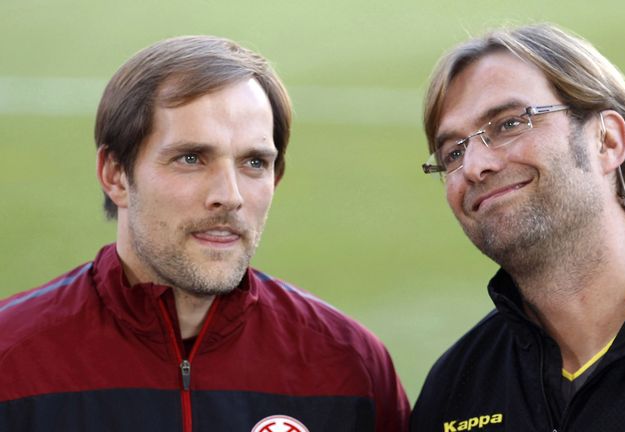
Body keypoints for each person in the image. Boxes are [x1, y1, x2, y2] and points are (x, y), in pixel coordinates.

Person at [0, 36, 409, 432]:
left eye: (253, 163)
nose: (229, 197)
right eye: (191, 158)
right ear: (115, 175)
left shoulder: (351, 366)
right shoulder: (11, 360)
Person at [410, 23, 625, 431]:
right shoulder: (452, 393)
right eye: (453, 152)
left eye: (509, 123)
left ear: (608, 141)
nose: (474, 166)